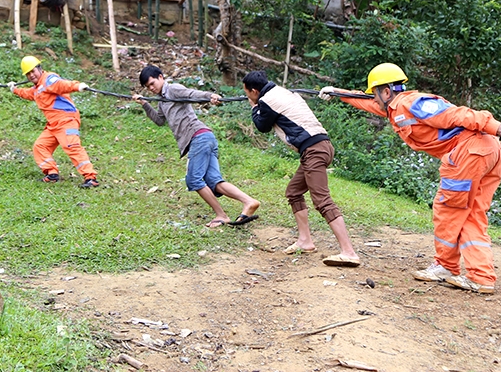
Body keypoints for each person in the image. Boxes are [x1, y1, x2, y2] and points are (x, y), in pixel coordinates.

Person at [320, 63, 501, 294]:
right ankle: (481, 277)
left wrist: (497, 127)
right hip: (488, 151)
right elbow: (367, 103)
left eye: (376, 93)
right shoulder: (394, 108)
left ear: (386, 92)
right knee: (471, 212)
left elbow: (455, 114)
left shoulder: (411, 103)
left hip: (469, 152)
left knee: (449, 209)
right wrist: (337, 93)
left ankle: (445, 267)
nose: (375, 100)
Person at [242, 70, 359, 265]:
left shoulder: (267, 100)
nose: (247, 95)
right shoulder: (283, 92)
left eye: (247, 93)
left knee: (322, 201)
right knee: (294, 192)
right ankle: (305, 241)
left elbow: (261, 125)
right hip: (320, 147)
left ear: (254, 91)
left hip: (314, 149)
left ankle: (348, 252)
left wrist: (254, 107)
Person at [133, 64, 258, 227]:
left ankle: (221, 215)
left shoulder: (173, 90)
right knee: (214, 181)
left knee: (193, 180)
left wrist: (209, 96)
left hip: (199, 137)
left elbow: (191, 94)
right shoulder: (163, 101)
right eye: (147, 87)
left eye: (152, 83)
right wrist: (144, 104)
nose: (150, 88)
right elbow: (159, 120)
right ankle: (249, 201)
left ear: (161, 77)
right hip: (205, 138)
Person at [10, 55, 99, 188]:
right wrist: (15, 90)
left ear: (39, 68)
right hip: (53, 125)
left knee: (72, 147)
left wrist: (77, 86)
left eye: (32, 71)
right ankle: (52, 174)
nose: (31, 75)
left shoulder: (49, 80)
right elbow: (29, 93)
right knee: (40, 146)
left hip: (66, 120)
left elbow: (61, 85)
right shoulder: (38, 88)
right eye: (28, 74)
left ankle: (90, 178)